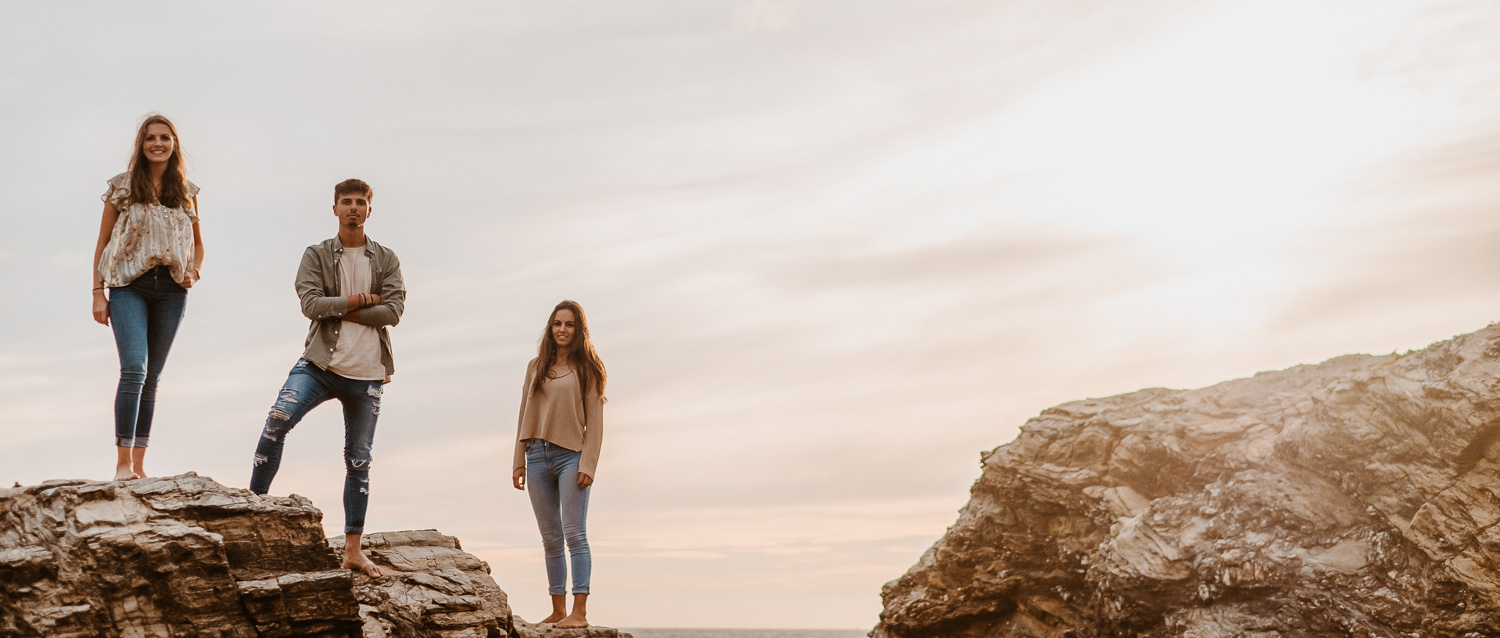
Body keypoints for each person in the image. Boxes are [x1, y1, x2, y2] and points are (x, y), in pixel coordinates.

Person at [249, 178, 404, 578]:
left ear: (370, 210)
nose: (353, 208)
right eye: (346, 202)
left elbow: (393, 312)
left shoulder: (385, 258)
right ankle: (250, 511)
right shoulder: (316, 253)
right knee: (277, 421)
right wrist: (358, 301)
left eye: (360, 202)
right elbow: (310, 304)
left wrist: (337, 309)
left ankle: (353, 549)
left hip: (367, 373)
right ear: (334, 208)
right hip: (319, 364)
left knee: (359, 460)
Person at [91, 114, 205, 482]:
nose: (158, 144)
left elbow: (198, 245)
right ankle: (122, 465)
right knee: (135, 369)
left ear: (174, 145)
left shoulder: (186, 192)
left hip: (172, 291)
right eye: (150, 138)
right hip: (129, 286)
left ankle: (140, 465)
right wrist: (97, 292)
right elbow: (103, 242)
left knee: (152, 377)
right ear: (141, 145)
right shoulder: (122, 187)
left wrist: (194, 270)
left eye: (165, 138)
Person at [512, 300, 607, 628]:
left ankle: (579, 613)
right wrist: (518, 461)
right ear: (550, 328)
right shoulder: (534, 366)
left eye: (569, 324)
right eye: (557, 323)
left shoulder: (588, 369)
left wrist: (588, 465)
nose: (562, 329)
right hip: (536, 456)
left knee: (574, 534)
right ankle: (558, 610)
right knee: (550, 538)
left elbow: (595, 423)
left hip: (572, 457)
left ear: (578, 330)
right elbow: (524, 415)